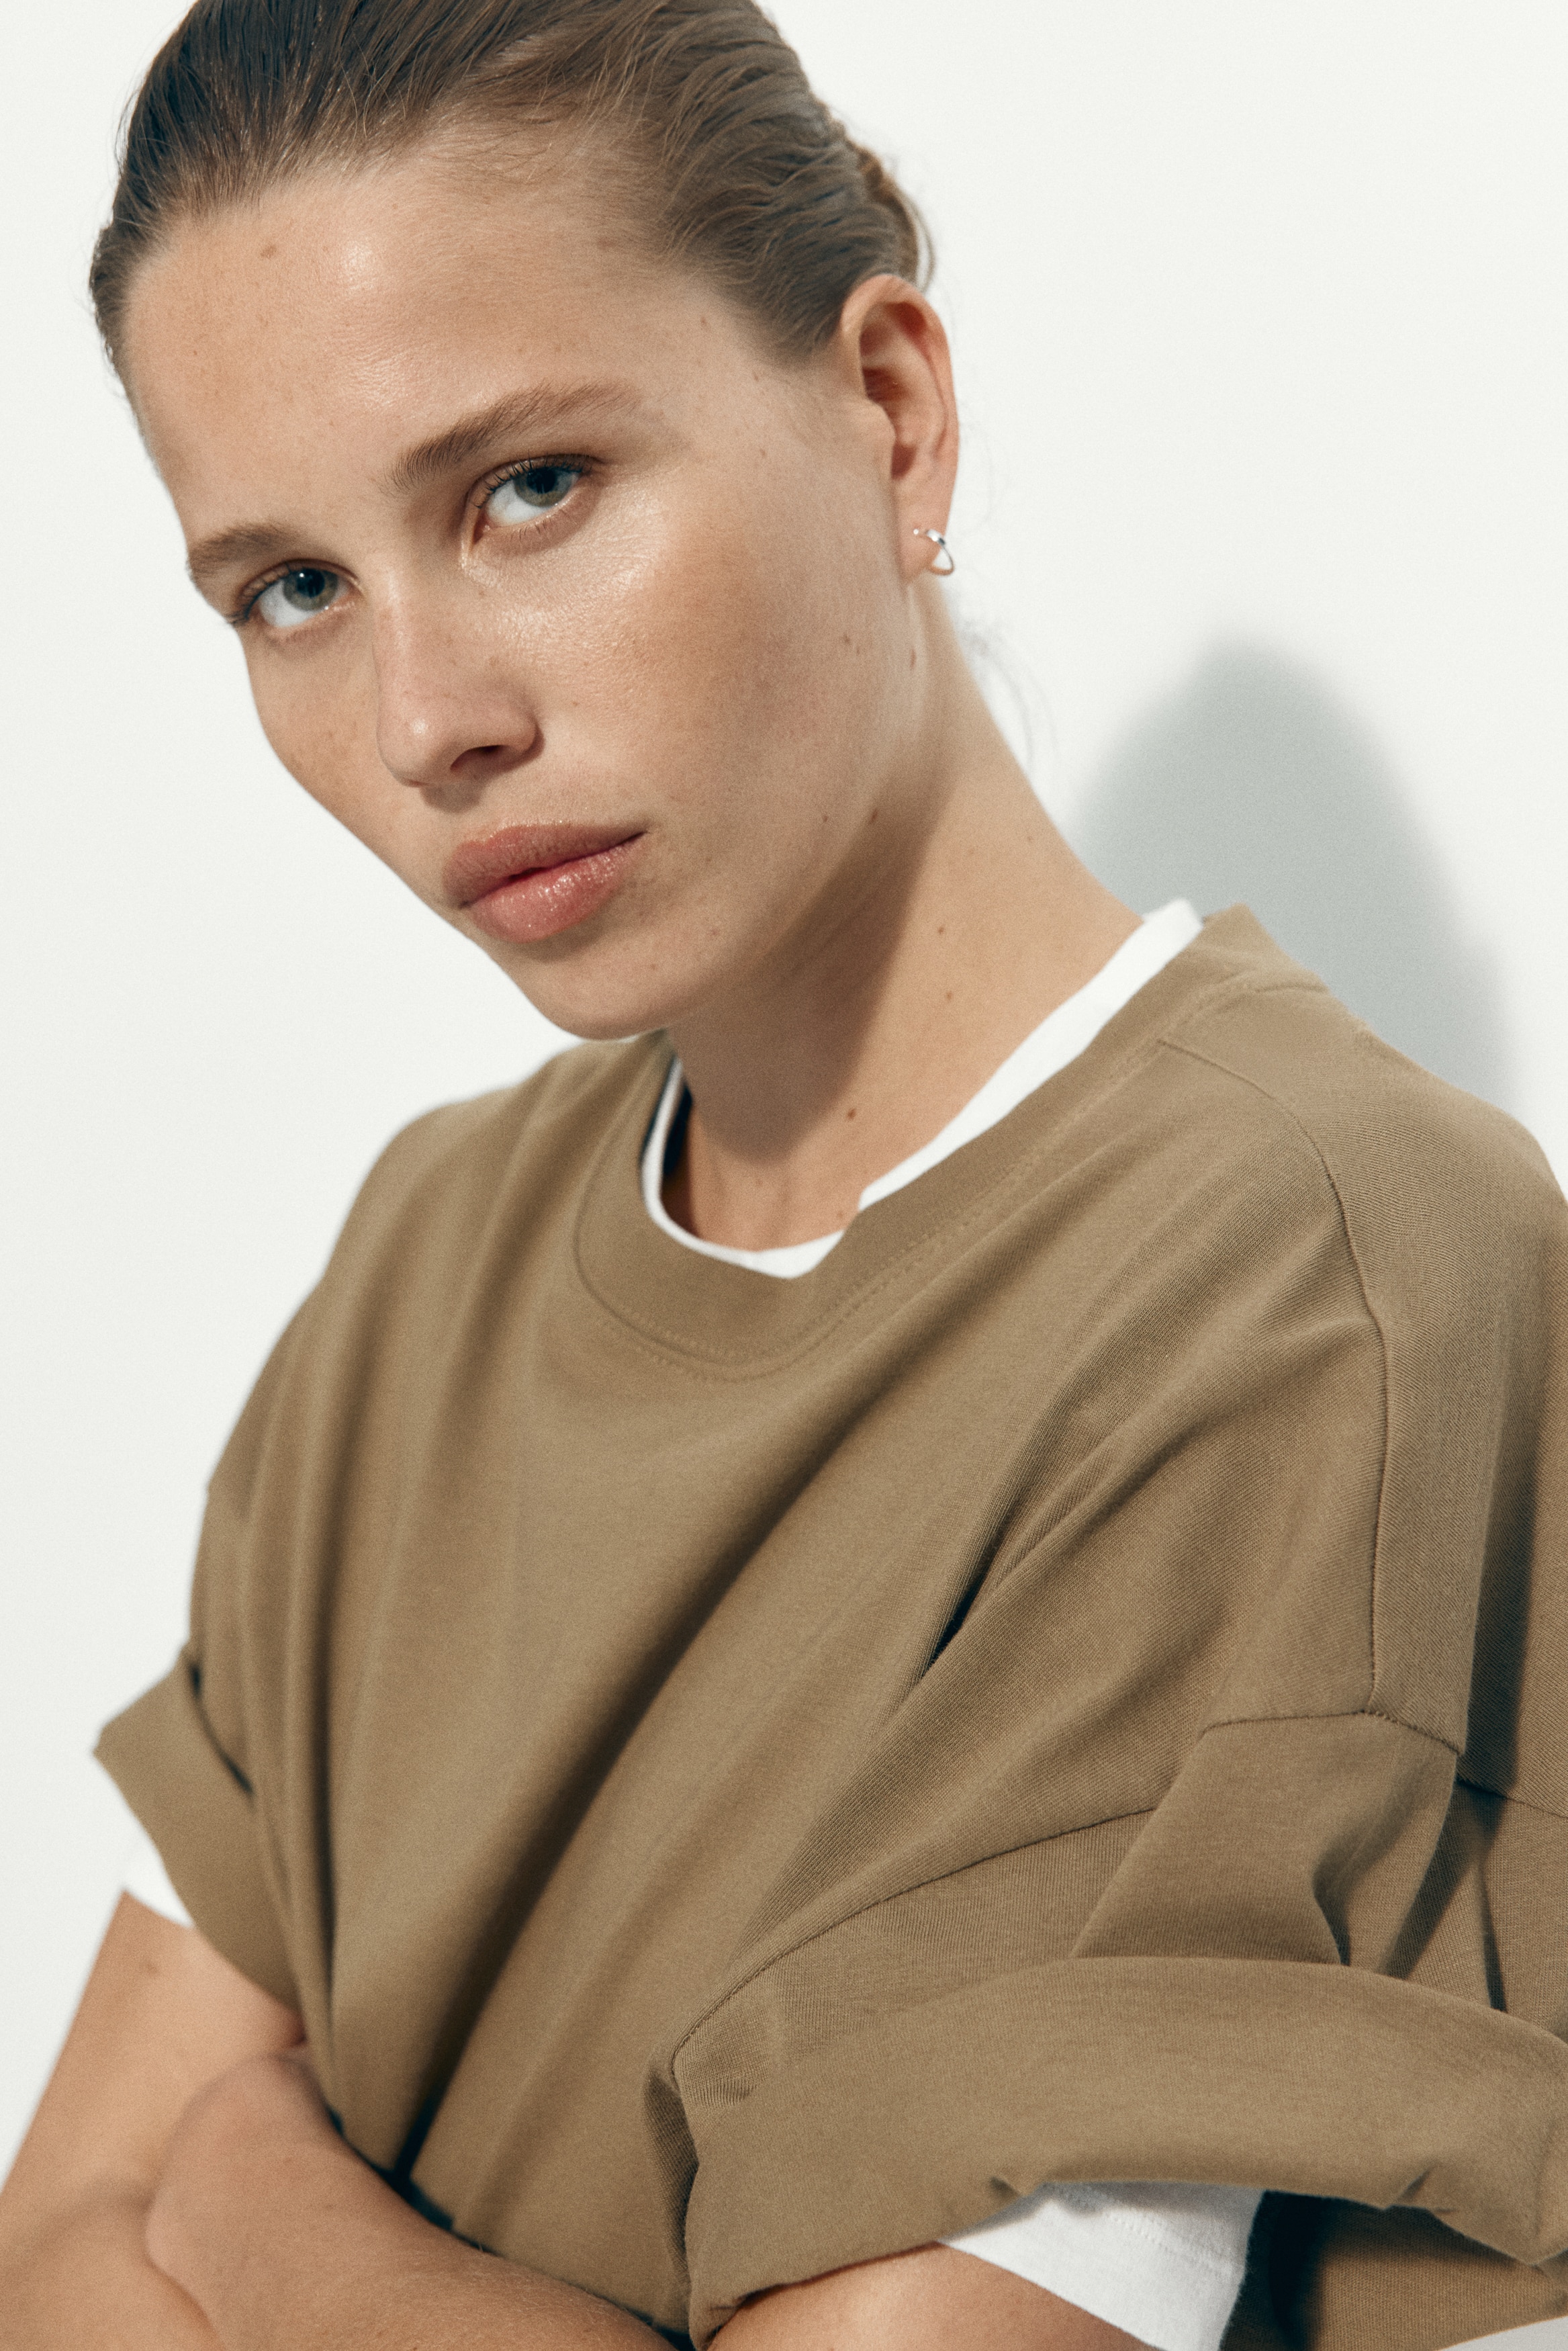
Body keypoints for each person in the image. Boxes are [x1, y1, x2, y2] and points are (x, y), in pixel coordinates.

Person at [2, 1, 1565, 2345]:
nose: (428, 721)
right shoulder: (433, 1256)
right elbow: (50, 2247)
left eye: (528, 487)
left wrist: (243, 2189)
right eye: (290, 590)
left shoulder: (1307, 1271)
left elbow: (149, 2193)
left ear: (893, 411)